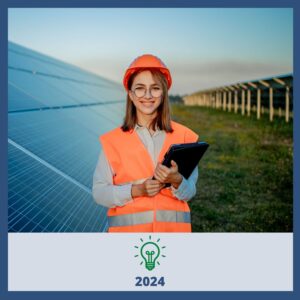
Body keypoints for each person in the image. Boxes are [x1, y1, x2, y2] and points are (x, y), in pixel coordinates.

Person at [92, 54, 199, 232]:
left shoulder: (185, 137)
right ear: (131, 94)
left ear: (163, 93)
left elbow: (189, 192)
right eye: (140, 88)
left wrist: (177, 180)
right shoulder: (112, 141)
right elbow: (99, 192)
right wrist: (136, 190)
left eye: (155, 88)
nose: (148, 95)